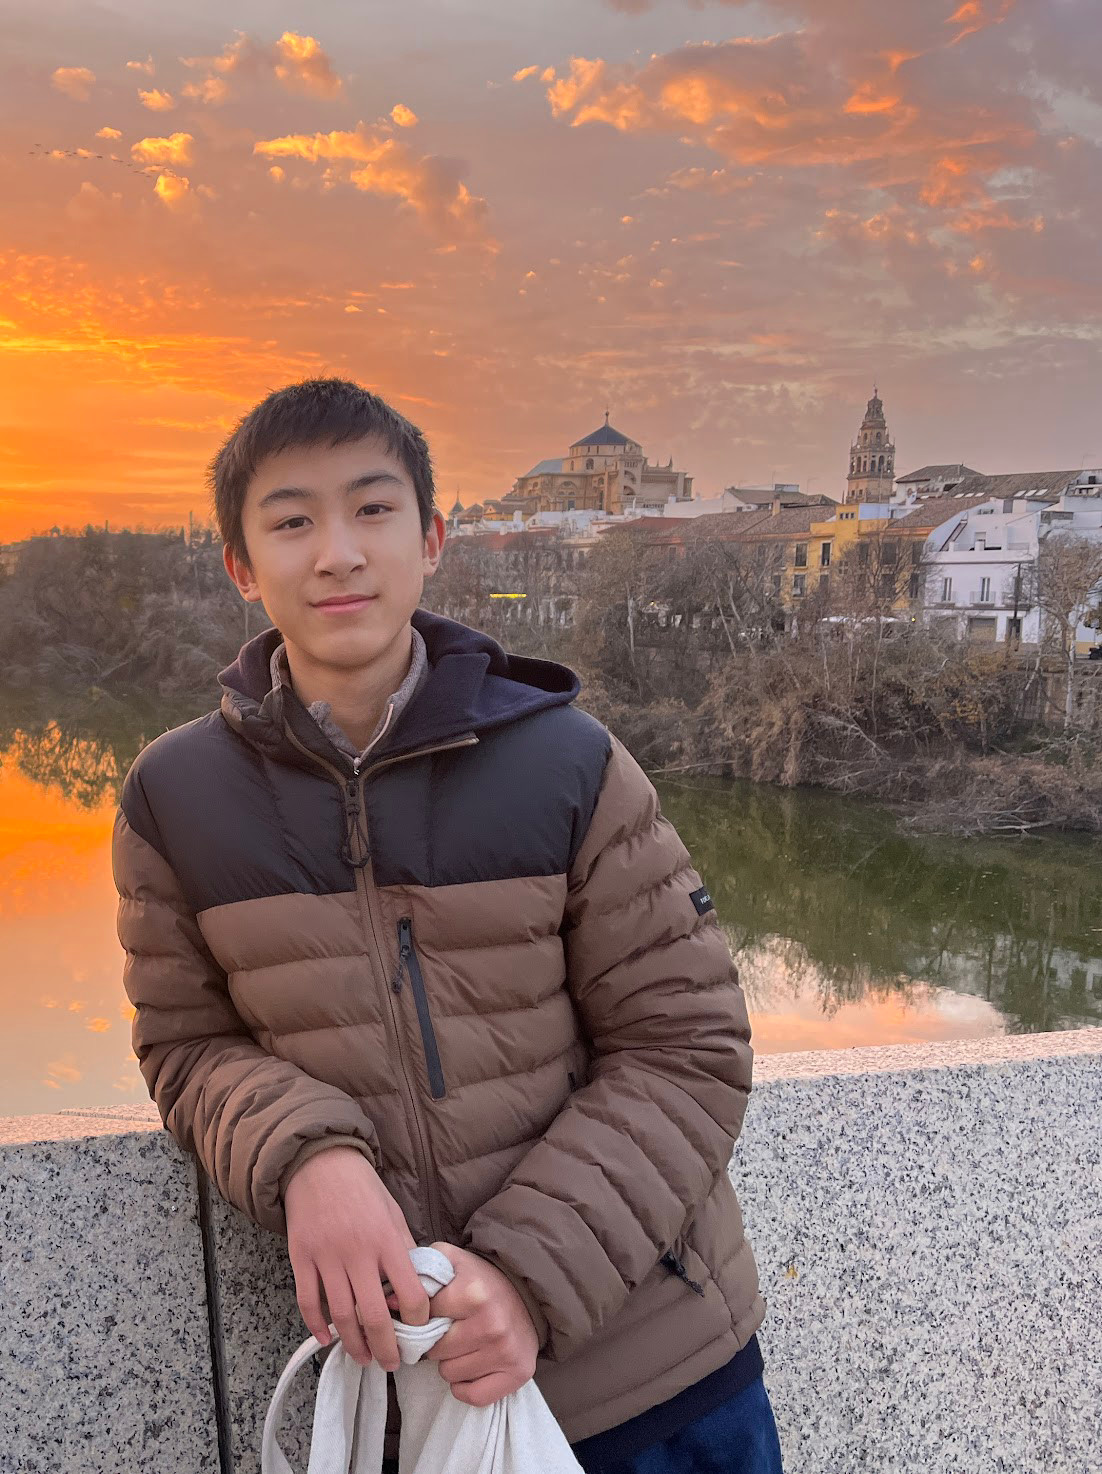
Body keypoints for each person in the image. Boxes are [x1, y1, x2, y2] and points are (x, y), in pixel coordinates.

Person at [112, 379, 781, 1472]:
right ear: (241, 565)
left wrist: (523, 1275)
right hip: (403, 1394)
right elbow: (185, 1046)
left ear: (430, 538)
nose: (337, 553)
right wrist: (307, 1154)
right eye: (291, 521)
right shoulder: (175, 797)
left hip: (654, 1381)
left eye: (372, 510)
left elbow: (686, 1044)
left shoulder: (567, 761)